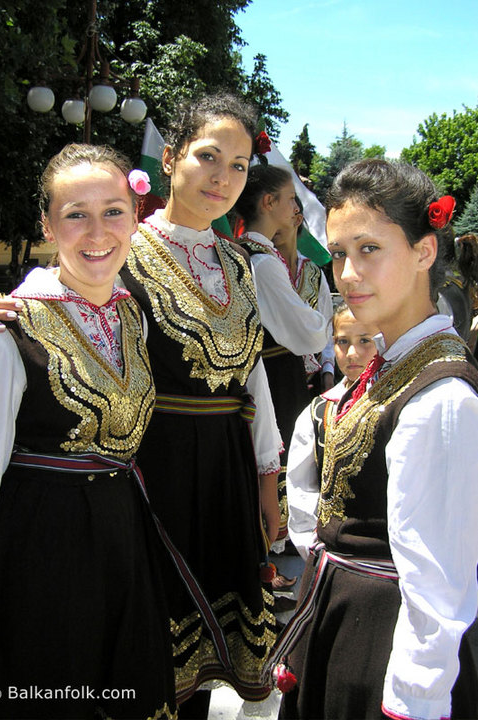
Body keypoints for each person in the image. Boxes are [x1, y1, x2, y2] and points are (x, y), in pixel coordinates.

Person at [0, 92, 282, 718]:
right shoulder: (122, 251)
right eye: (209, 157)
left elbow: (252, 375)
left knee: (171, 661)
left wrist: (266, 475)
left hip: (217, 472)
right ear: (170, 159)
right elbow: (62, 298)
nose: (222, 178)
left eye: (240, 165)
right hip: (146, 471)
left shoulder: (240, 265)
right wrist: (3, 317)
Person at [0, 144, 179, 719]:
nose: (97, 231)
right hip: (41, 555)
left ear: (136, 219)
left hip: (124, 540)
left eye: (113, 211)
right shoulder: (5, 331)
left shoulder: (135, 313)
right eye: (76, 213)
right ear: (47, 225)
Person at [272, 159, 478, 720]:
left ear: (423, 252)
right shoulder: (394, 365)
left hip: (384, 641)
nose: (347, 273)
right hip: (344, 617)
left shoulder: (441, 398)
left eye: (369, 249)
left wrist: (414, 700)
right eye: (339, 253)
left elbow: (439, 585)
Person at [235, 164, 329, 544]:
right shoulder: (263, 262)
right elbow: (307, 335)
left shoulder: (240, 254)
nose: (295, 207)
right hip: (274, 372)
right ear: (269, 201)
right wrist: (323, 326)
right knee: (278, 452)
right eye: (291, 198)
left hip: (264, 371)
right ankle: (273, 542)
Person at [286, 303, 378, 561]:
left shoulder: (397, 402)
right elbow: (301, 489)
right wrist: (313, 550)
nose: (352, 353)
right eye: (342, 341)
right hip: (334, 556)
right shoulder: (318, 413)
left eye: (364, 340)